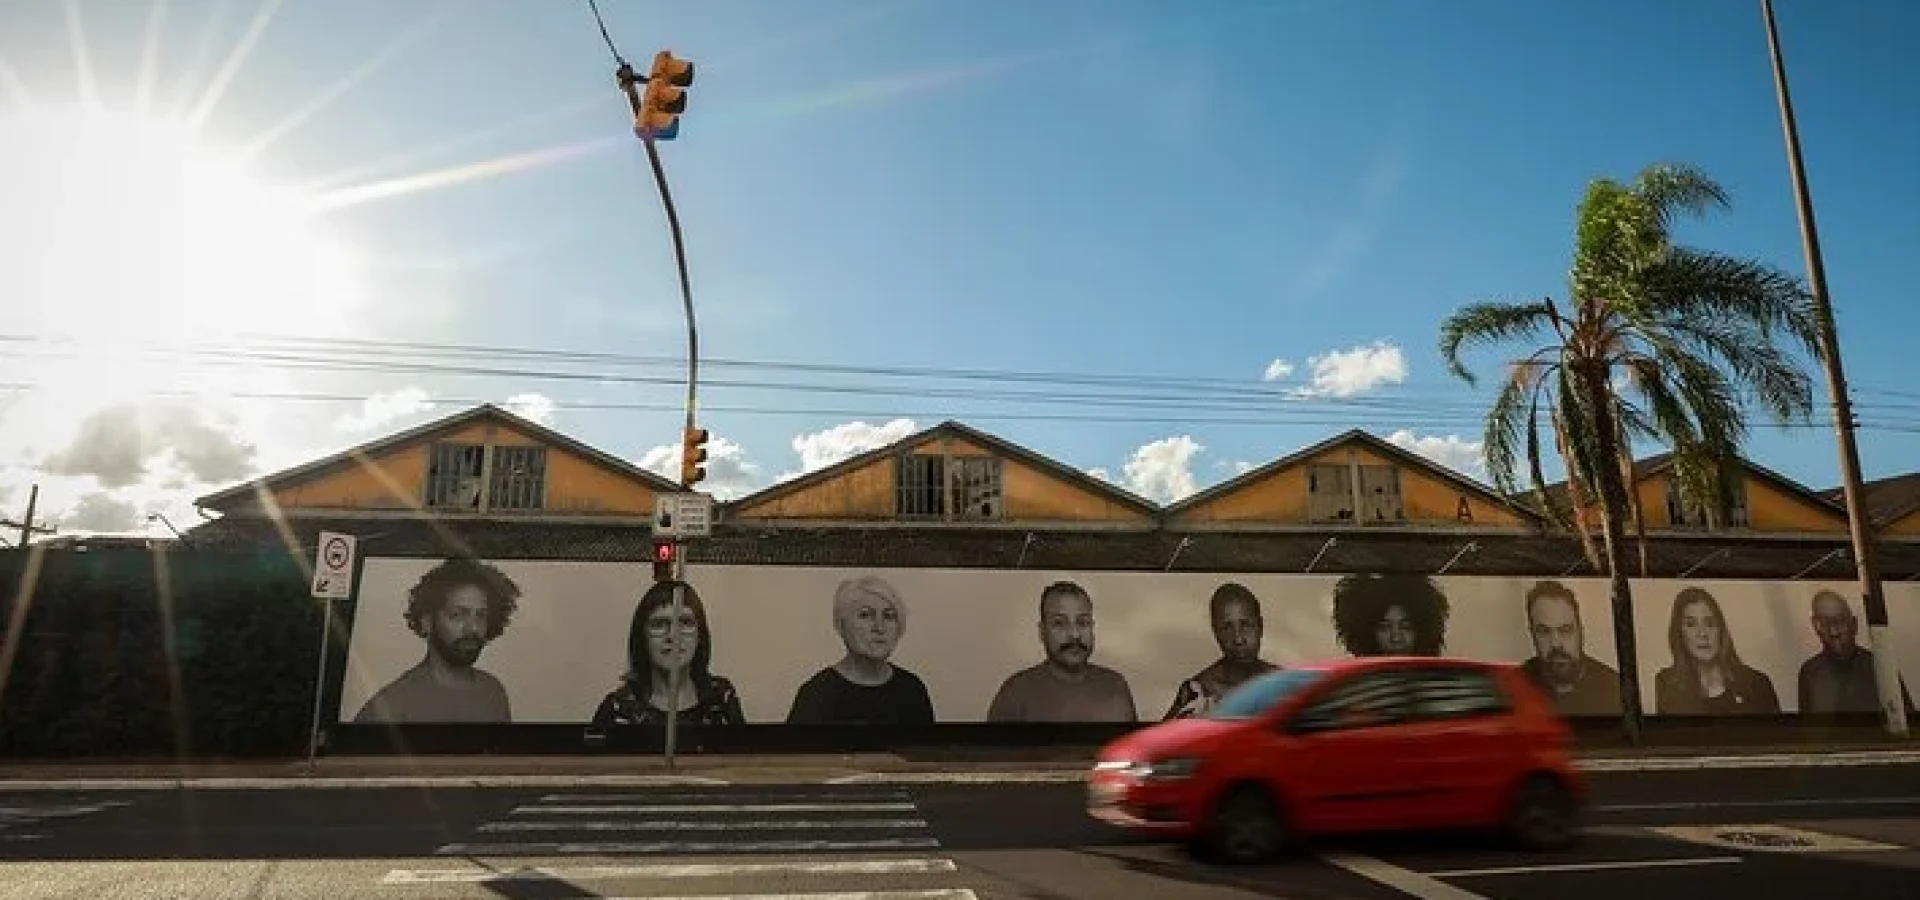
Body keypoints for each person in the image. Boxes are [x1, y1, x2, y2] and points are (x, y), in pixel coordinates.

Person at [353, 557, 520, 724]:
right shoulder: (390, 706)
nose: (472, 628)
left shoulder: (493, 692)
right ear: (427, 622)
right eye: (458, 615)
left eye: (481, 616)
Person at [591, 580, 745, 727]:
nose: (673, 635)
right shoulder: (617, 709)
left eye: (685, 623)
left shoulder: (720, 698)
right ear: (642, 637)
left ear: (700, 636)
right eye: (659, 624)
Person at [786, 575, 937, 725]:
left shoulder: (912, 689)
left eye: (888, 616)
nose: (879, 627)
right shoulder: (817, 694)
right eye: (866, 615)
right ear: (841, 625)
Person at [987, 580, 1137, 723]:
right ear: (1042, 632)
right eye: (1059, 623)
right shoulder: (1015, 692)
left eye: (1082, 623)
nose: (1074, 635)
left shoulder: (1115, 685)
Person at [1653, 587, 1779, 715]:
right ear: (1679, 633)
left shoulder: (1757, 684)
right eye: (1691, 624)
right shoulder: (1666, 684)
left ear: (1721, 631)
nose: (1702, 633)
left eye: (1710, 623)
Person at [1164, 582, 1279, 719]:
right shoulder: (1198, 692)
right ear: (1216, 632)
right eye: (1227, 628)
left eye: (1246, 625)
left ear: (1260, 626)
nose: (1238, 639)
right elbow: (1162, 733)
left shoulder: (1286, 684)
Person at [1797, 590, 1914, 715]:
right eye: (1825, 623)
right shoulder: (1809, 673)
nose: (1833, 631)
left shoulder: (1880, 666)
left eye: (1840, 621)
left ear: (1854, 624)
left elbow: (1908, 720)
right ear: (1816, 627)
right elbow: (1807, 725)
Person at [1518, 580, 1621, 716]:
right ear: (1532, 634)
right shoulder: (1514, 686)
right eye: (1544, 631)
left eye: (1565, 630)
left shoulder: (1614, 687)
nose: (1555, 643)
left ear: (1580, 632)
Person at [1330, 572, 1450, 657]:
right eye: (1384, 627)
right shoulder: (1353, 682)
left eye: (1406, 627)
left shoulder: (1442, 681)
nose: (1396, 638)